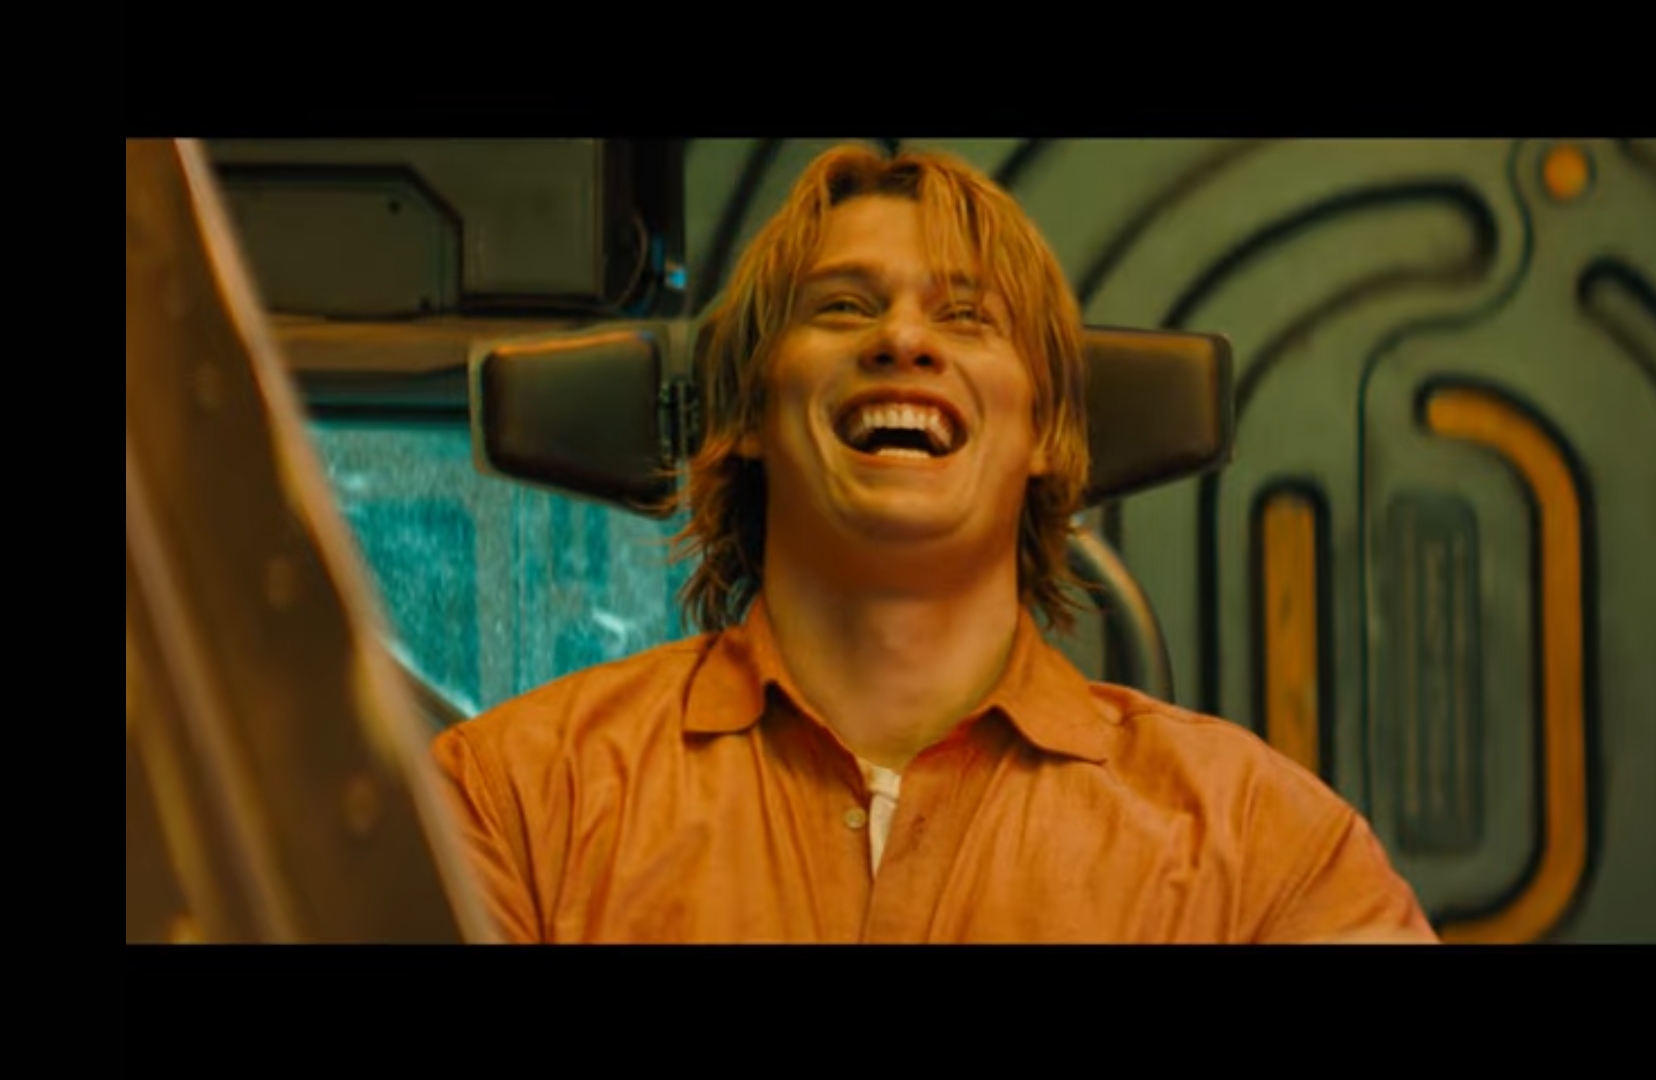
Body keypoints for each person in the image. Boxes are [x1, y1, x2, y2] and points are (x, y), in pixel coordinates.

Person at [430, 142, 1437, 943]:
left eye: (966, 316)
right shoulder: (516, 802)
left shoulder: (1261, 847)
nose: (903, 340)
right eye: (843, 307)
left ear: (1045, 435)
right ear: (747, 415)